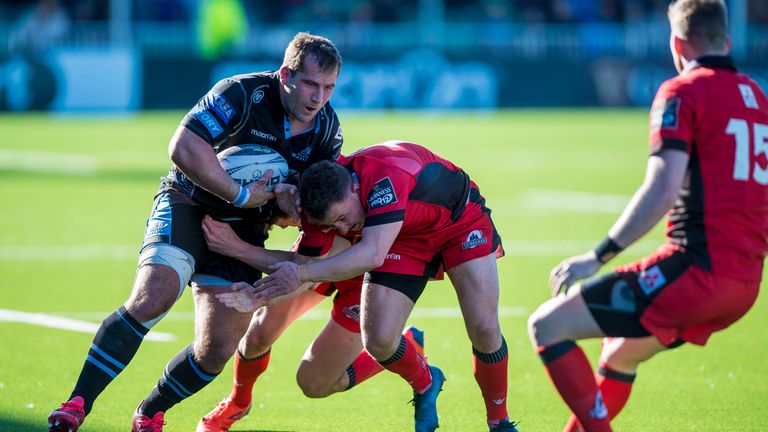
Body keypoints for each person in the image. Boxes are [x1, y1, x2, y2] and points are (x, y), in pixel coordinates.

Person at [47, 32, 343, 432]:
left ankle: (150, 411)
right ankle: (76, 404)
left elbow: (312, 201)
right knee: (154, 295)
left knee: (217, 348)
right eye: (310, 83)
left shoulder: (326, 129)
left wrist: (291, 204)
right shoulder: (240, 93)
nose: (317, 97)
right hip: (188, 203)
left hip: (244, 233)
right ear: (286, 73)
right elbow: (183, 146)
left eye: (328, 87)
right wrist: (240, 194)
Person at [526, 1, 768, 431]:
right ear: (726, 40)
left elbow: (662, 188)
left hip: (695, 274)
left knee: (546, 325)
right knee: (620, 352)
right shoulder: (758, 98)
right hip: (746, 284)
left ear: (676, 43)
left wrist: (597, 256)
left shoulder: (681, 90)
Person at [217, 141, 519, 432]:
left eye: (344, 218)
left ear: (355, 188)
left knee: (484, 328)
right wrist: (259, 291)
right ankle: (424, 376)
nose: (345, 229)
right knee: (377, 342)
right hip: (400, 239)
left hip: (460, 223)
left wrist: (292, 272)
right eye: (334, 225)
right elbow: (301, 268)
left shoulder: (386, 177)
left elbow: (366, 255)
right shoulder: (318, 207)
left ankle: (499, 422)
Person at [195, 213, 425, 432]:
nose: (283, 227)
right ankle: (238, 403)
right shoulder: (311, 200)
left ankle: (402, 347)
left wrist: (238, 253)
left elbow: (304, 279)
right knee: (257, 336)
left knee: (313, 384)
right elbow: (305, 271)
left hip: (371, 272)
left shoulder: (346, 195)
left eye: (279, 221)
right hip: (318, 253)